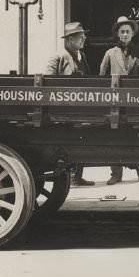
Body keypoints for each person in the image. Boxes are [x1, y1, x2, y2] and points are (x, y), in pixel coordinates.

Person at [100, 16, 139, 185]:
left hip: (136, 101)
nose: (125, 34)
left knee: (138, 136)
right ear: (118, 34)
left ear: (133, 34)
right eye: (122, 32)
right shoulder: (110, 53)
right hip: (116, 102)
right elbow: (102, 78)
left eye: (128, 31)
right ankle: (116, 174)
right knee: (115, 136)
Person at [44, 22, 94, 186]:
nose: (84, 39)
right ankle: (68, 176)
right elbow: (47, 83)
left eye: (83, 36)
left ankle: (77, 176)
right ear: (70, 39)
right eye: (81, 36)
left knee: (81, 141)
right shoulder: (58, 57)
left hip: (80, 109)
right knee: (67, 143)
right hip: (64, 109)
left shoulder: (82, 56)